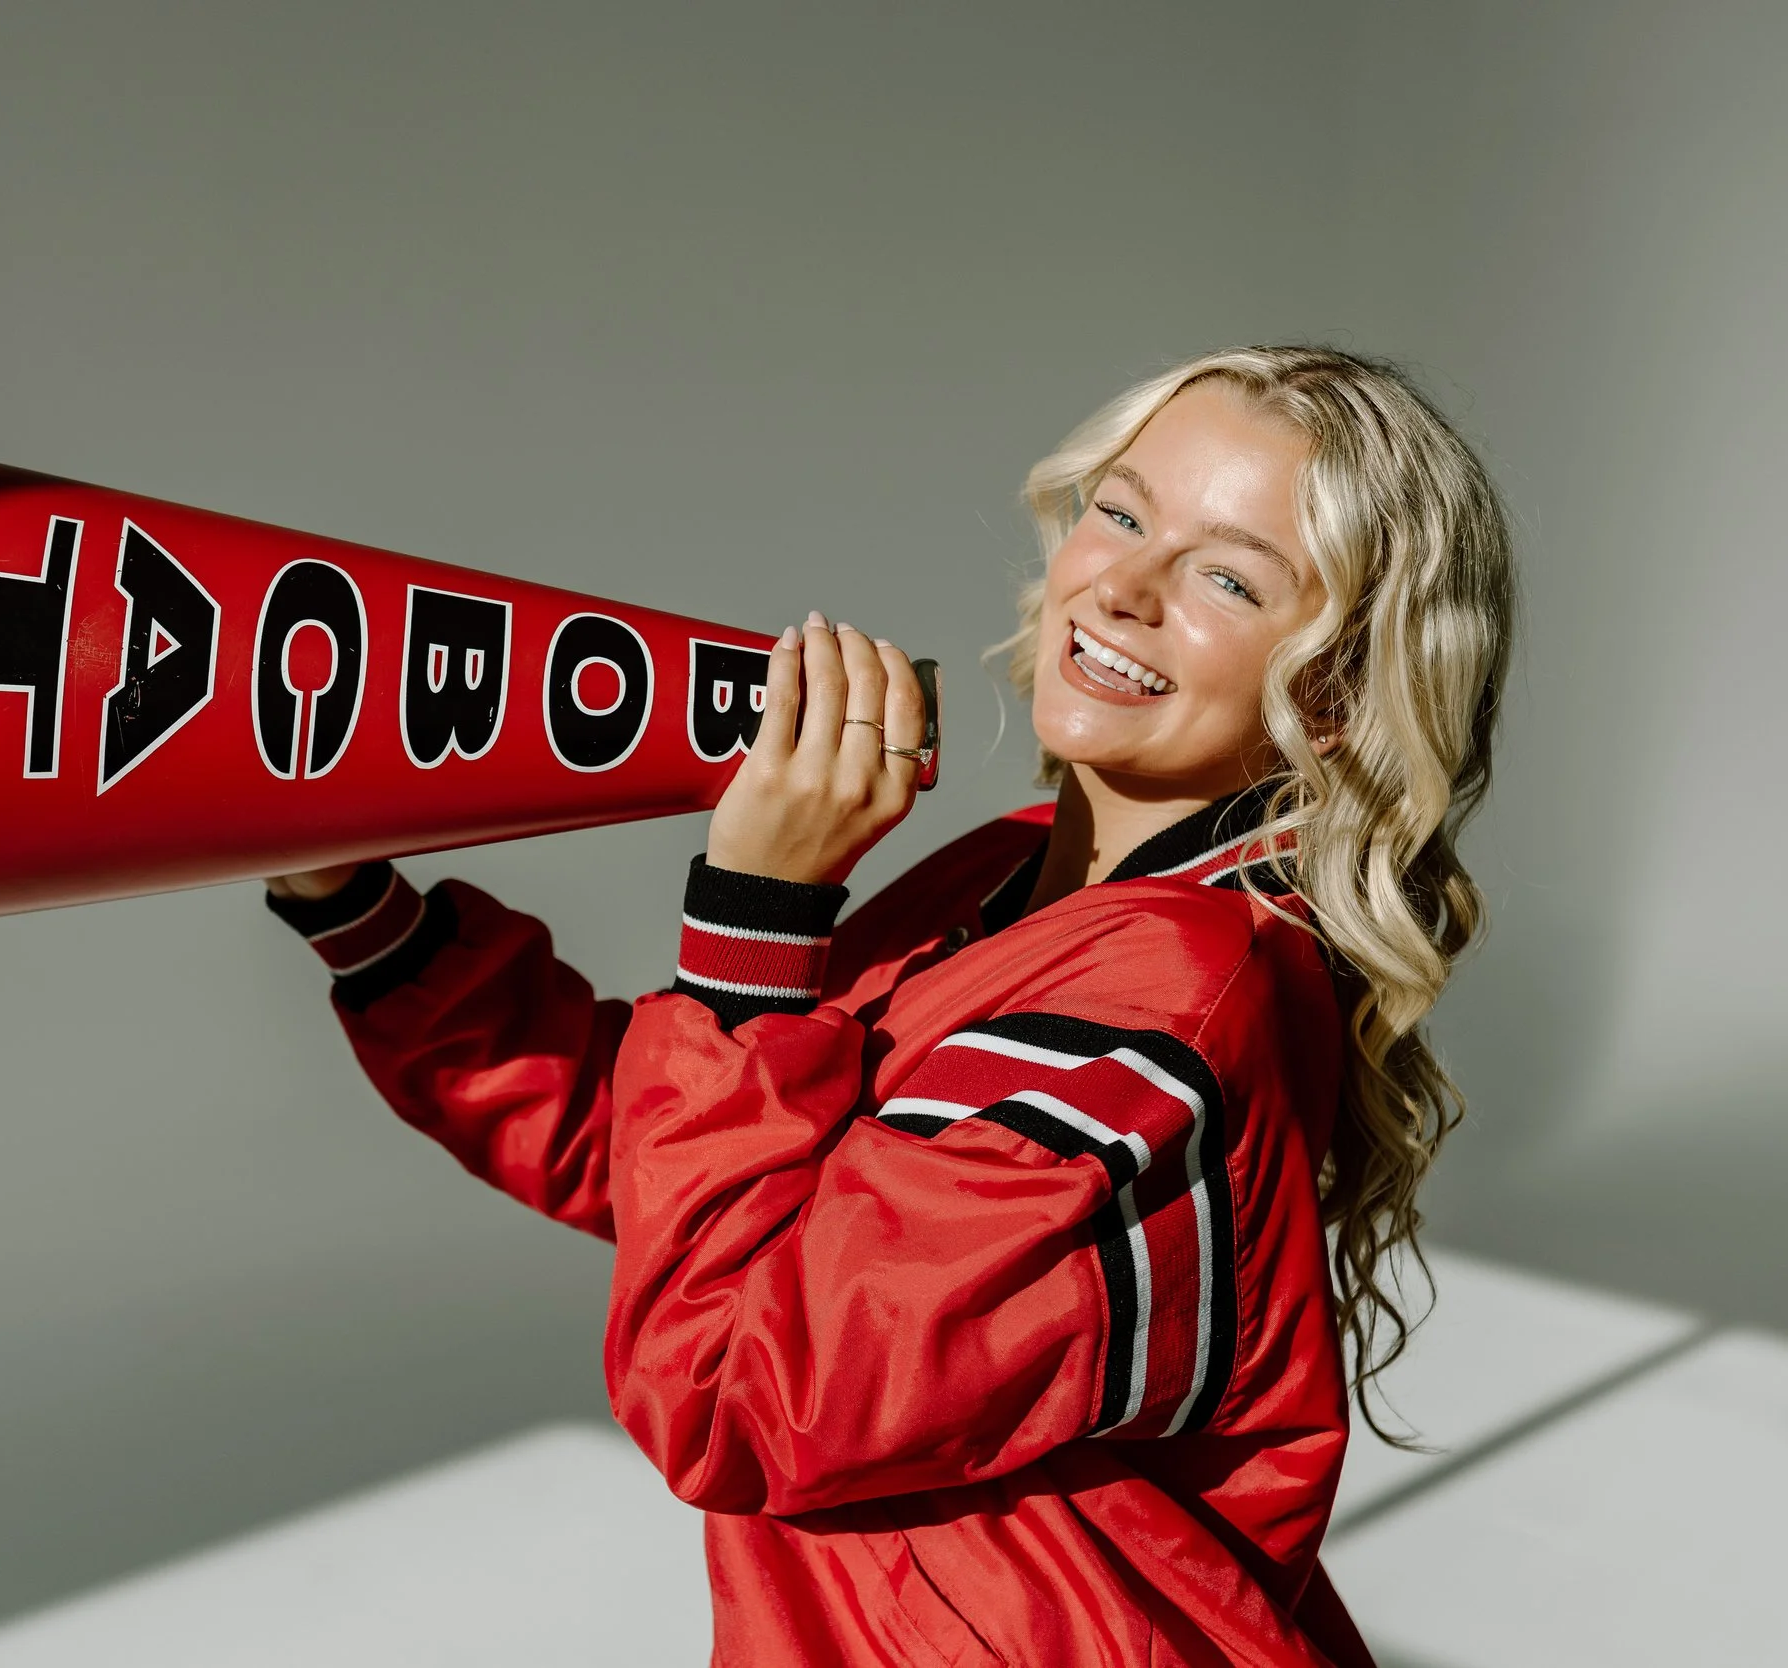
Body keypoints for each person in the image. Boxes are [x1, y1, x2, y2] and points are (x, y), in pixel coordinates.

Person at [265, 345, 1515, 1666]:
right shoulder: (1016, 874)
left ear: (1332, 689)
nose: (1126, 589)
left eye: (1227, 578)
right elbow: (683, 1159)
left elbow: (736, 1392)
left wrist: (758, 917)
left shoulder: (1167, 1004)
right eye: (1125, 511)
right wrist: (360, 907)